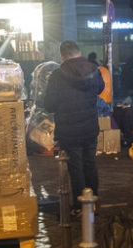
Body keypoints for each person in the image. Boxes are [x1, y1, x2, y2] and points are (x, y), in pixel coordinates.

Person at [43, 41, 105, 207]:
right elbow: (100, 88)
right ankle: (93, 200)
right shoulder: (94, 70)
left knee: (76, 168)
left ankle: (81, 206)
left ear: (62, 56)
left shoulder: (57, 75)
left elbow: (49, 104)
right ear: (78, 52)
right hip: (90, 127)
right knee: (90, 164)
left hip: (69, 130)